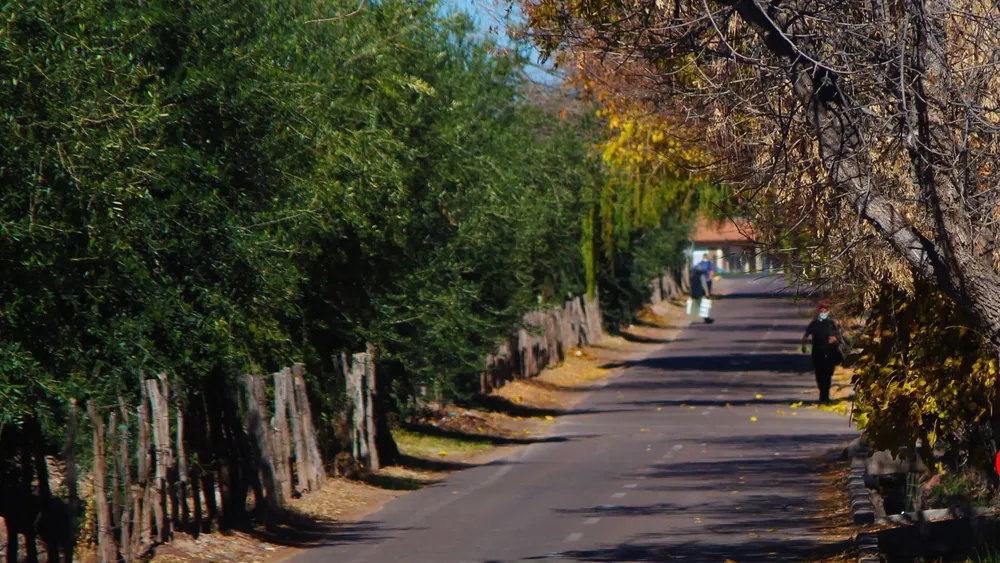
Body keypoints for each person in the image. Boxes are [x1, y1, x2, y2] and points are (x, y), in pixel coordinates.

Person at [802, 302, 841, 404]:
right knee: (819, 374)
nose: (823, 312)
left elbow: (837, 336)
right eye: (822, 310)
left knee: (827, 374)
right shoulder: (814, 323)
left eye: (825, 310)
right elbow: (806, 335)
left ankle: (825, 395)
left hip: (829, 353)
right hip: (817, 352)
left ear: (828, 311)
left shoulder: (831, 324)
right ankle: (822, 393)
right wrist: (803, 346)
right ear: (819, 311)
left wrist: (834, 339)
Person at [689, 259, 715, 324]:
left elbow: (691, 286)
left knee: (694, 306)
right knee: (704, 306)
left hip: (694, 293)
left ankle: (692, 319)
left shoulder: (692, 276)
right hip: (700, 293)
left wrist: (691, 293)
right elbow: (704, 284)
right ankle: (706, 319)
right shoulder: (701, 275)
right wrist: (707, 292)